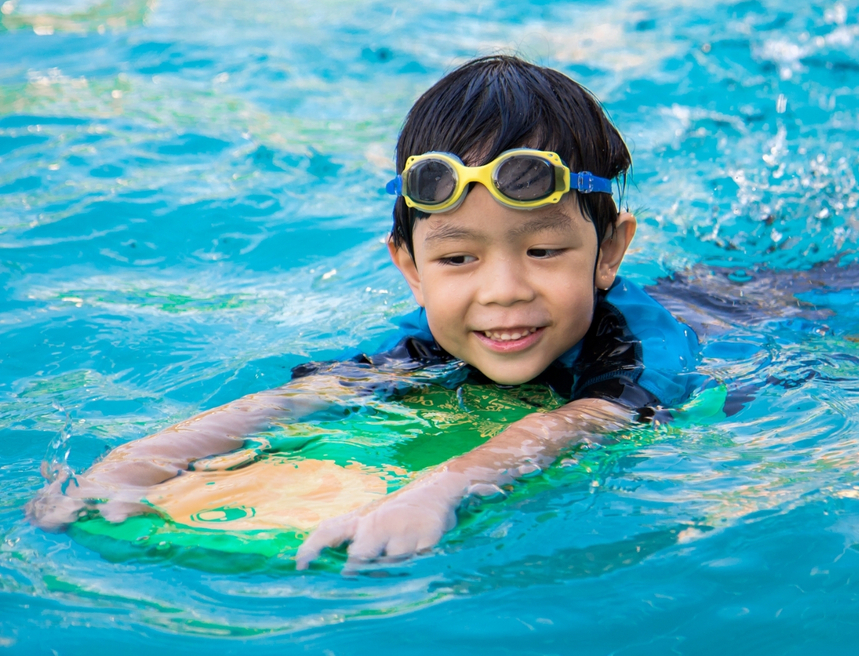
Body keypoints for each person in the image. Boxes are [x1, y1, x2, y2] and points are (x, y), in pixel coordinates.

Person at [25, 55, 710, 569]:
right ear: (409, 267)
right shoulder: (433, 339)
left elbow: (581, 421)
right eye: (458, 259)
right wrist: (137, 462)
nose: (502, 290)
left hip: (747, 311)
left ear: (608, 251)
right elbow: (300, 397)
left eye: (543, 249)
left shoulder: (640, 345)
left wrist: (441, 488)